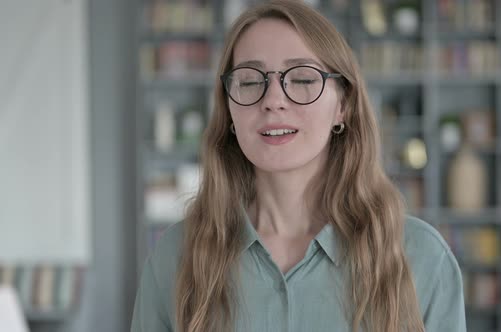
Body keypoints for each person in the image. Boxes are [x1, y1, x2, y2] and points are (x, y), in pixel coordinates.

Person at [131, 1, 465, 331]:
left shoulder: (422, 257)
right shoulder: (174, 257)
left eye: (303, 79)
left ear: (343, 106)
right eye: (249, 81)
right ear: (229, 110)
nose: (273, 100)